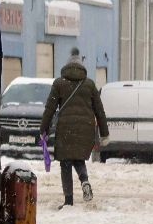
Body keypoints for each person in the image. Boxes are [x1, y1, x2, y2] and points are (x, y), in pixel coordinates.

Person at [39, 57, 109, 208]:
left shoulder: (59, 84)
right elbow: (99, 110)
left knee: (65, 163)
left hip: (65, 129)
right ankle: (84, 181)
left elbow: (50, 109)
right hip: (85, 129)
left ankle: (68, 200)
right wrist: (104, 133)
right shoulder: (89, 85)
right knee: (78, 159)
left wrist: (43, 129)